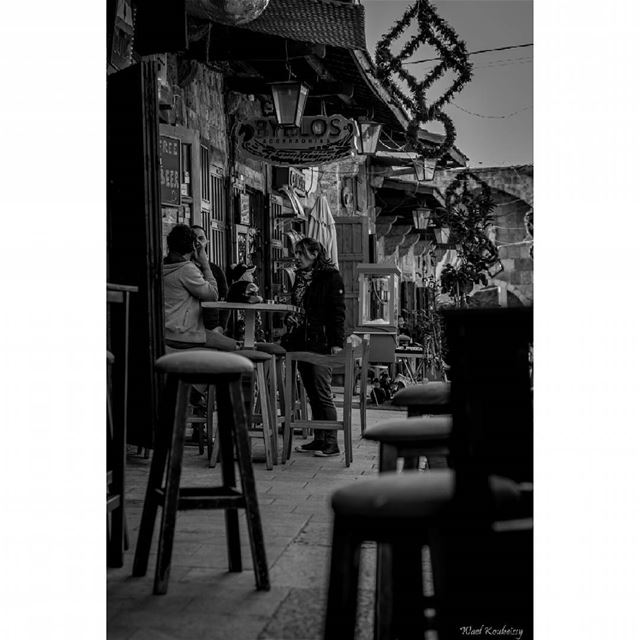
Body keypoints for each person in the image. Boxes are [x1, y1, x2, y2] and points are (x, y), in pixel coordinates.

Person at [282, 237, 346, 458]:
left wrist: (337, 343)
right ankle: (319, 438)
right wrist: (290, 319)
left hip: (321, 342)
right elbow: (299, 307)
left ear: (314, 254)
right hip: (301, 340)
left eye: (301, 253)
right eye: (296, 253)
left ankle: (331, 442)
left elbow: (338, 312)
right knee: (311, 392)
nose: (296, 257)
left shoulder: (330, 277)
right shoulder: (300, 278)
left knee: (322, 391)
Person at [163, 223, 219, 349]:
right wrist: (205, 264)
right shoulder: (186, 269)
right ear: (194, 246)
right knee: (232, 346)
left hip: (166, 332)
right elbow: (213, 295)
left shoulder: (163, 265)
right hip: (183, 334)